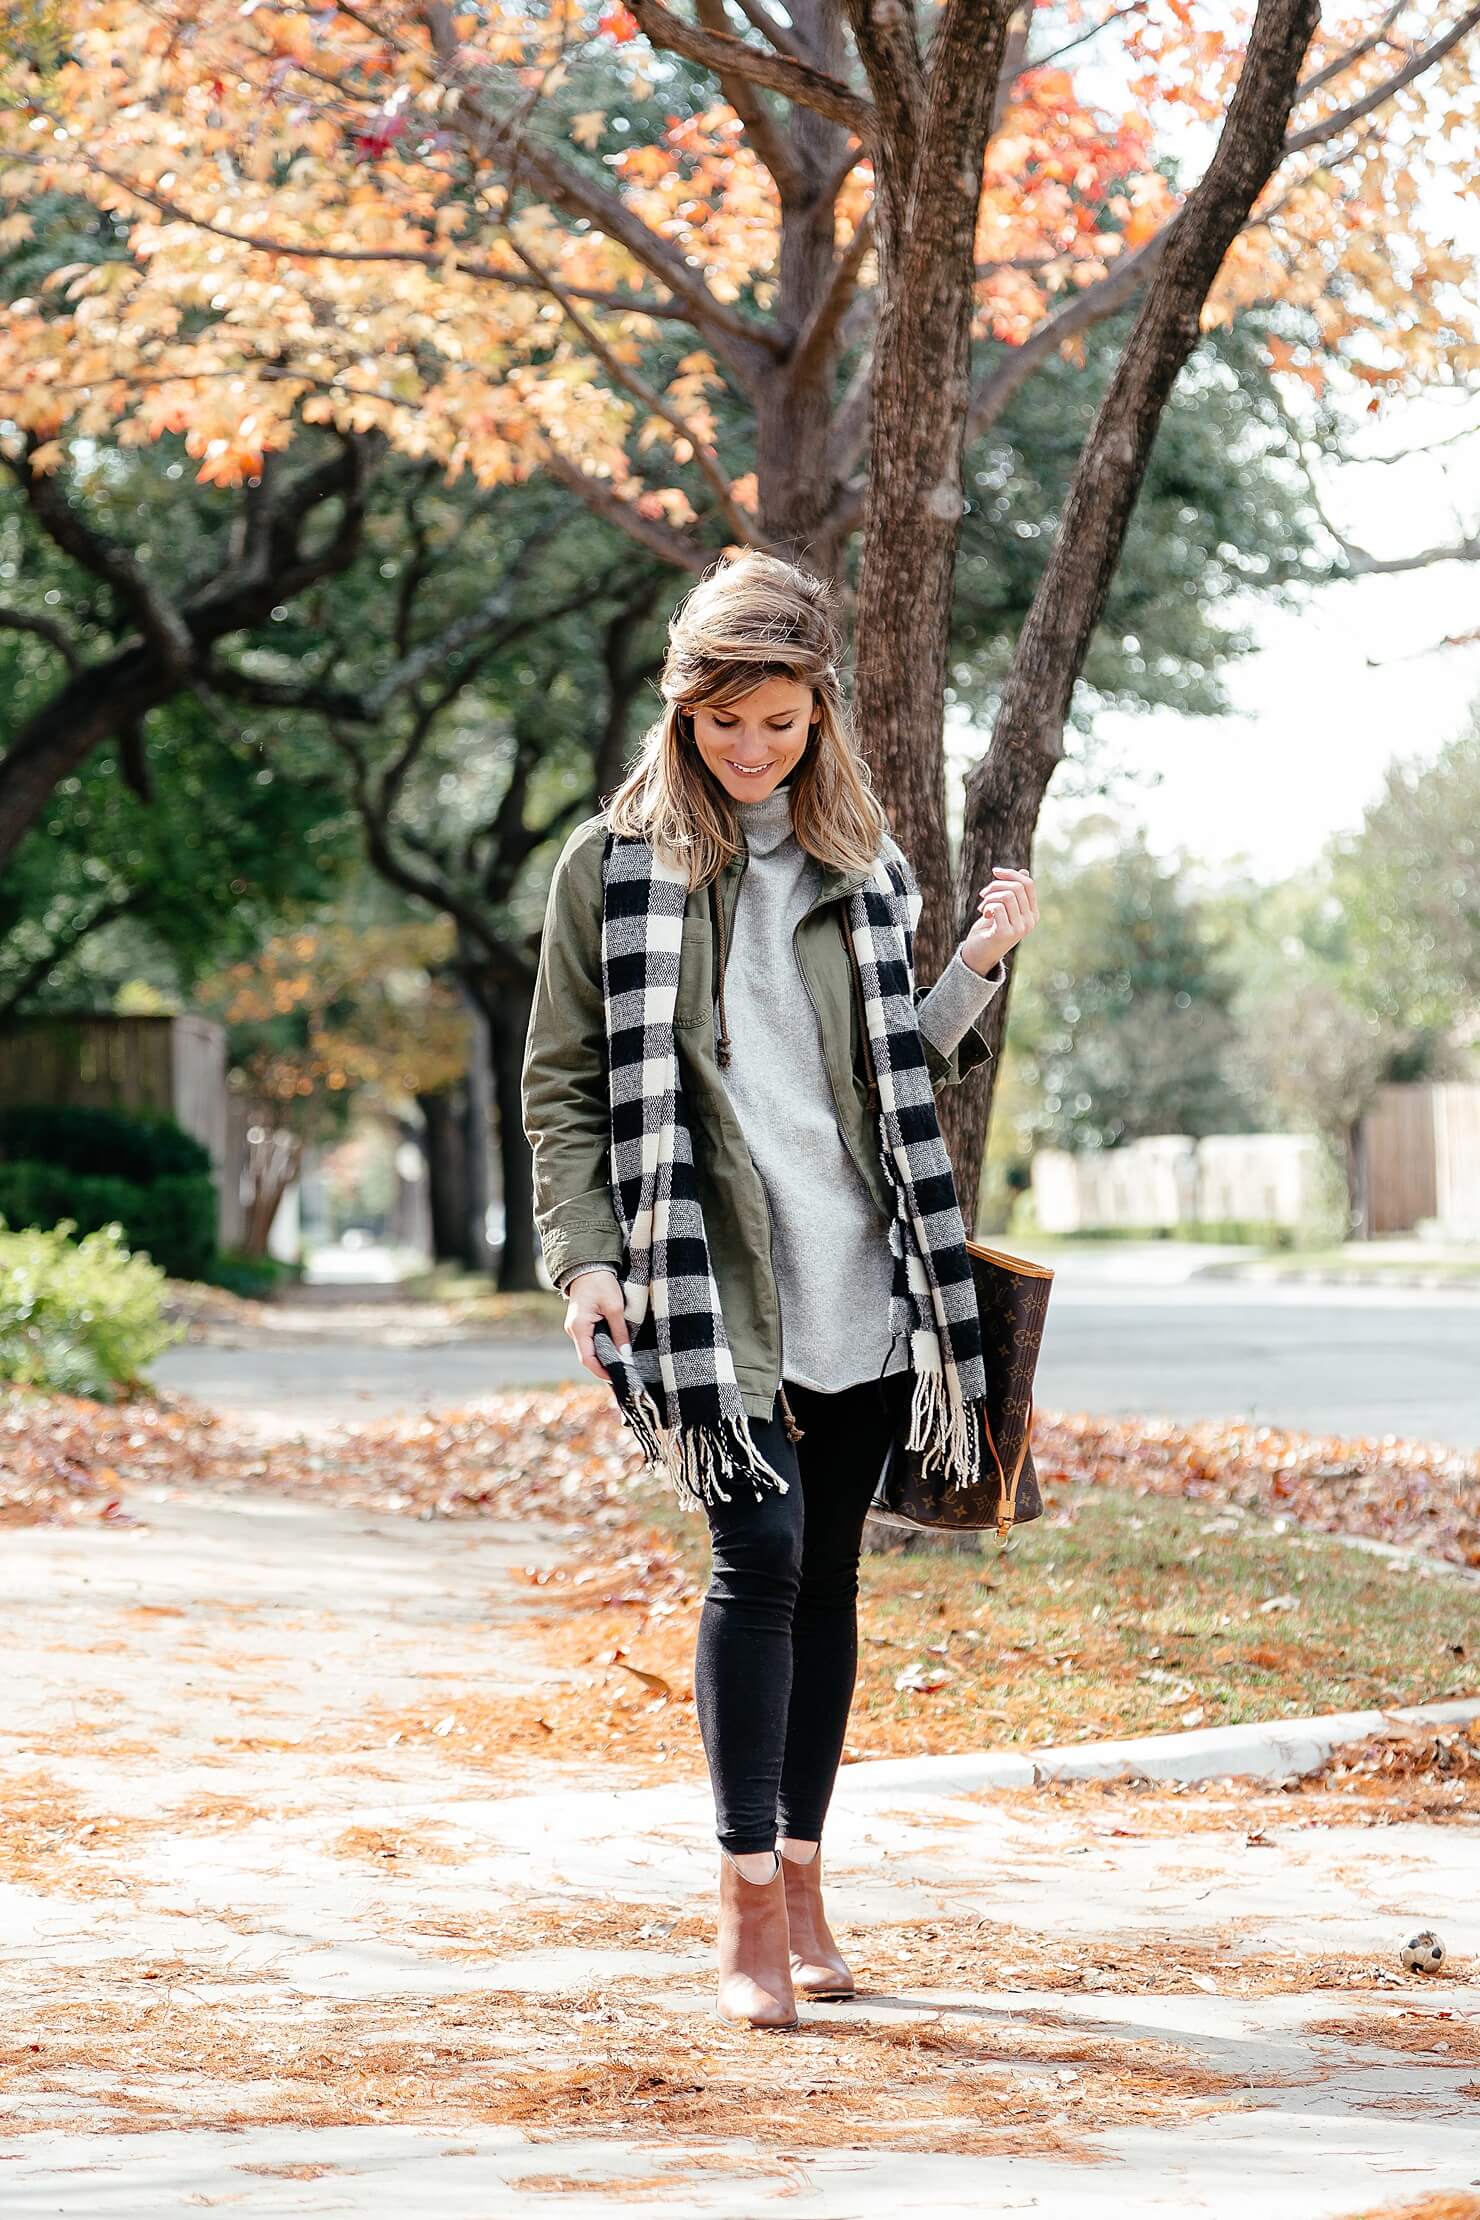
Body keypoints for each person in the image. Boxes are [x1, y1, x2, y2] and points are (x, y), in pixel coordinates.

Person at [520, 550, 1039, 2030]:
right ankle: (744, 1891)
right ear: (682, 711)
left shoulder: (863, 865)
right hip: (707, 1274)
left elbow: (894, 1075)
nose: (753, 749)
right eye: (725, 721)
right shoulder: (611, 866)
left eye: (782, 724)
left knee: (829, 1579)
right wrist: (584, 1257)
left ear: (820, 718)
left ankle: (807, 1871)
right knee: (757, 1559)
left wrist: (980, 967)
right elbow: (561, 1088)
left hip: (865, 1278)